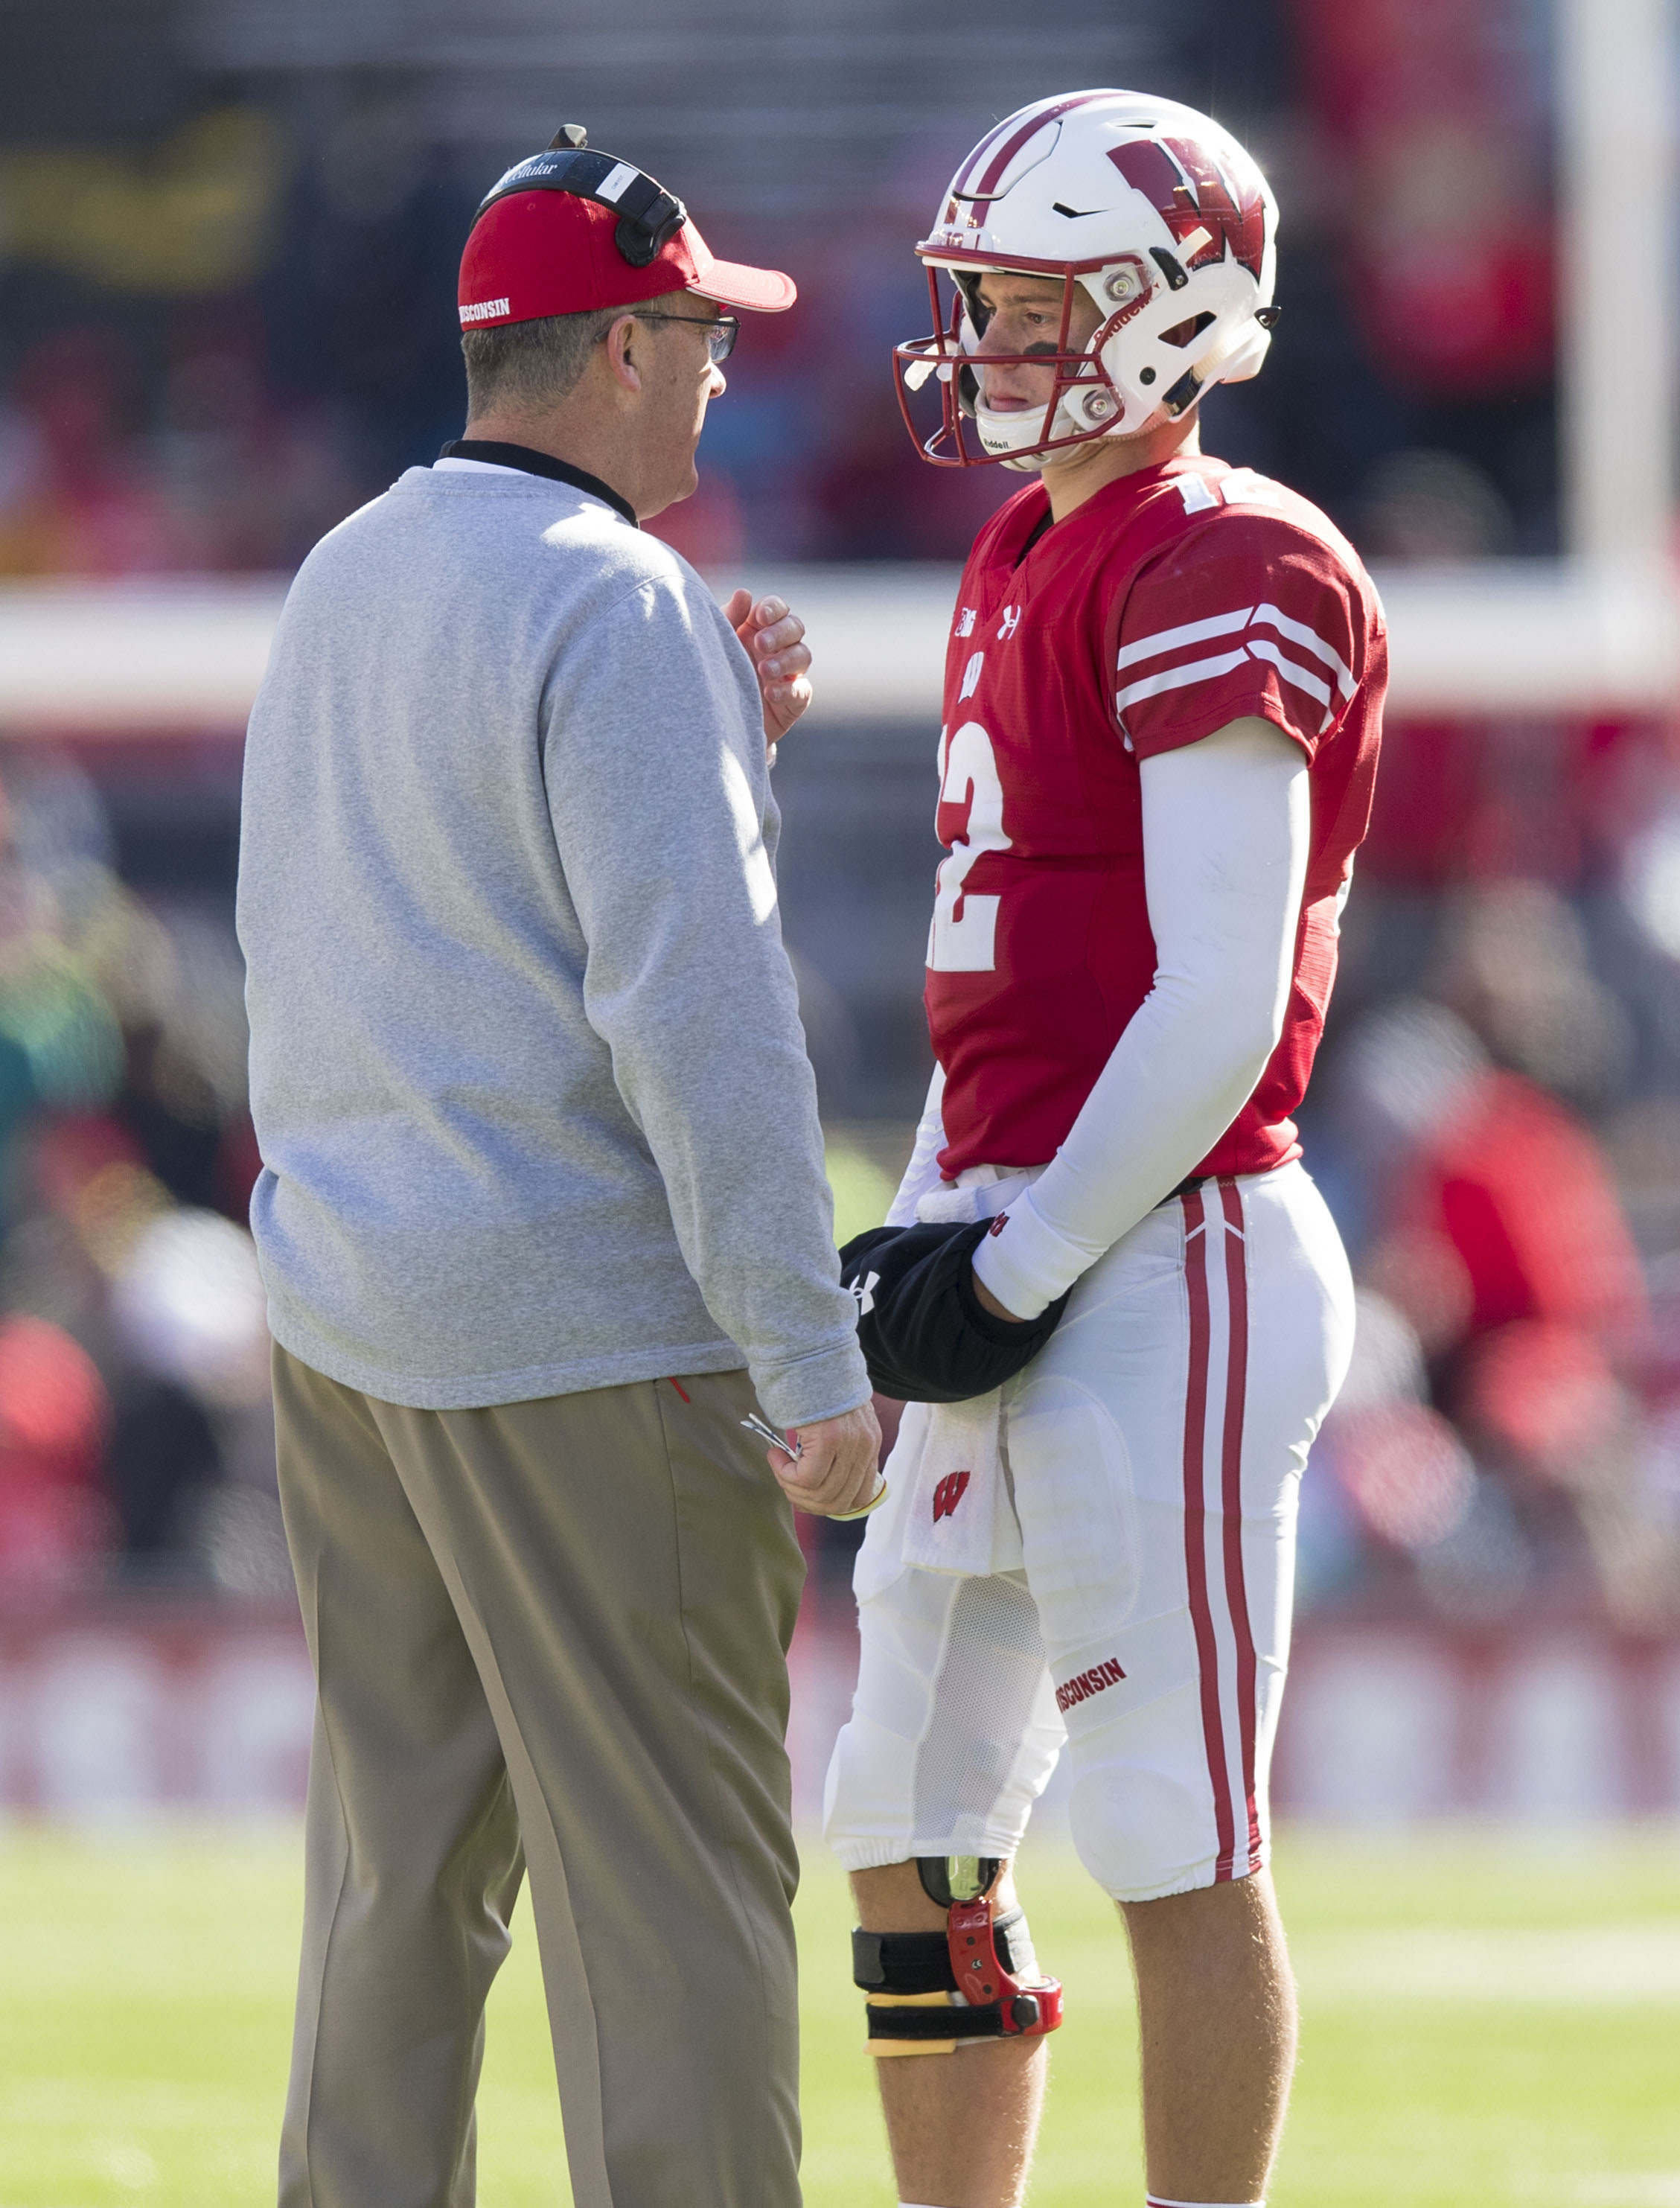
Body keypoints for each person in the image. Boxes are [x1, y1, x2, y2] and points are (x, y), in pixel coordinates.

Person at [237, 128, 881, 2208]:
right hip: (586, 1342)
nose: (716, 372)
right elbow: (698, 1024)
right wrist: (807, 1361)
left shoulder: (347, 564)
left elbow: (389, 914)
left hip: (352, 1318)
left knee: (390, 1892)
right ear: (611, 351)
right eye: (695, 331)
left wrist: (714, 734)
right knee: (671, 1906)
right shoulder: (621, 606)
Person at [822, 90, 1386, 2208]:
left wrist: (1017, 1262)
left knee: (1167, 1821)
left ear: (1173, 310)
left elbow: (1218, 998)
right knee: (906, 1815)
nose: (983, 345)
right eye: (975, 301)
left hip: (1172, 1242)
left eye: (1036, 304)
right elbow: (1010, 973)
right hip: (1027, 1215)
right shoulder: (1026, 544)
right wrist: (924, 1243)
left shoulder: (1226, 556)